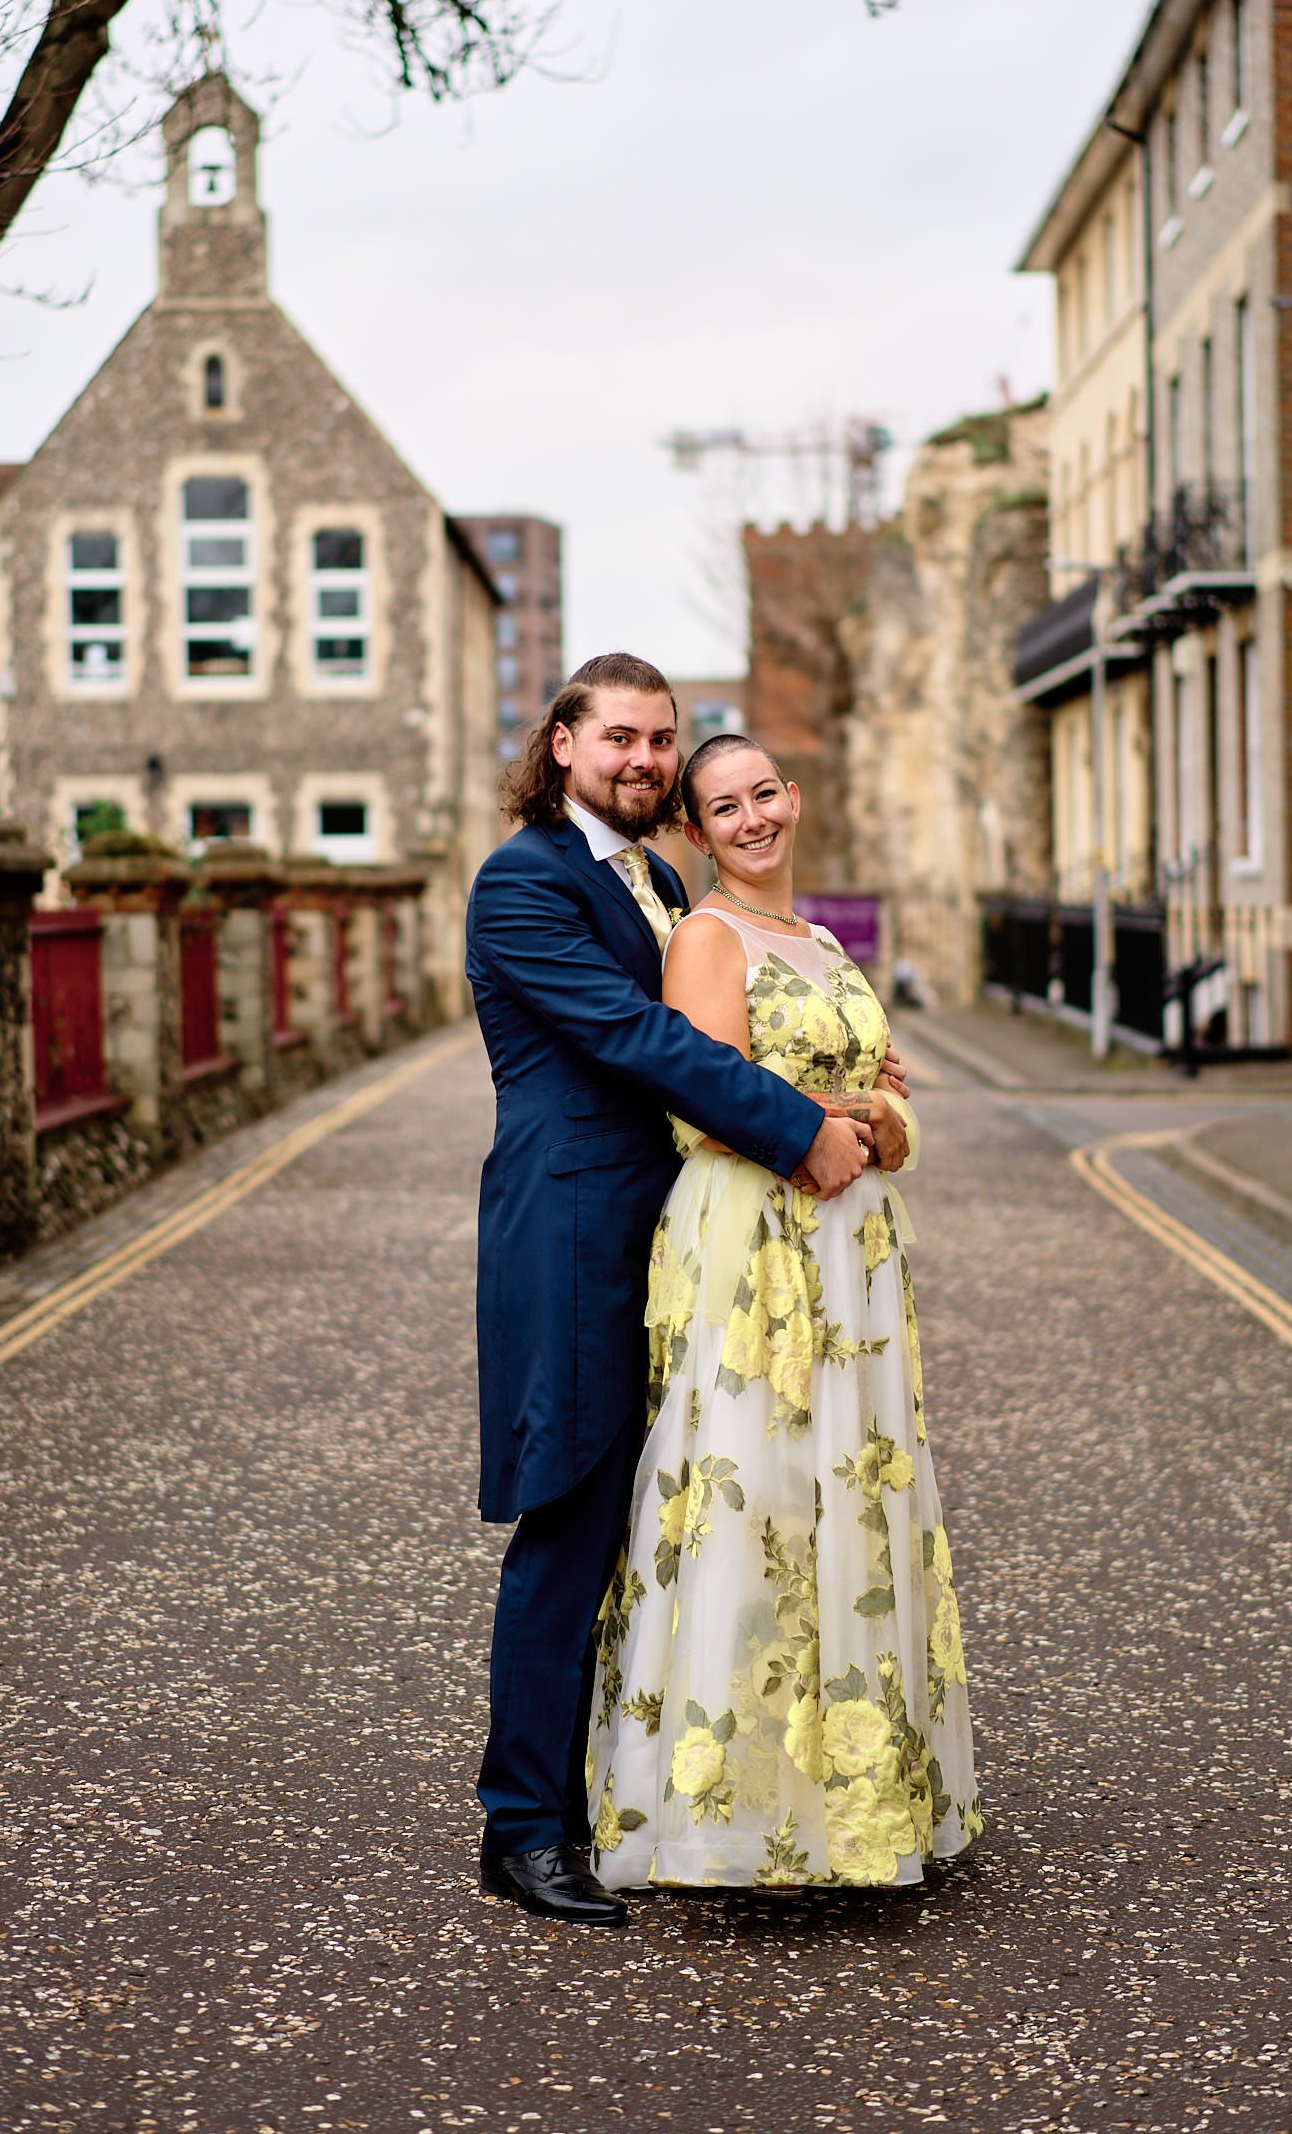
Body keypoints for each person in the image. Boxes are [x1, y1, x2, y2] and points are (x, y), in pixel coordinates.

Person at [465, 655, 895, 1927]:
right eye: (617, 739)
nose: (642, 760)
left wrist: (855, 1103)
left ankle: (622, 1785)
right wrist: (803, 1131)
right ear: (559, 744)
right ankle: (522, 1828)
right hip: (575, 1233)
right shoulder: (522, 885)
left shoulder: (652, 878)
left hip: (684, 1249)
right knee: (574, 1521)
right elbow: (640, 1041)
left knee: (668, 1522)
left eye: (659, 740)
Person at [587, 732, 982, 1893]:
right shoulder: (706, 939)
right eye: (724, 806)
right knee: (751, 1492)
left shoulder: (819, 944)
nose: (752, 818)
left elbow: (896, 1103)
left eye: (764, 793)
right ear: (697, 833)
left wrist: (873, 1122)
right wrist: (853, 1114)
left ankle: (848, 1808)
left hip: (852, 1252)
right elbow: (707, 1108)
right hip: (754, 1250)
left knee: (848, 1495)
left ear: (793, 800)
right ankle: (731, 1817)